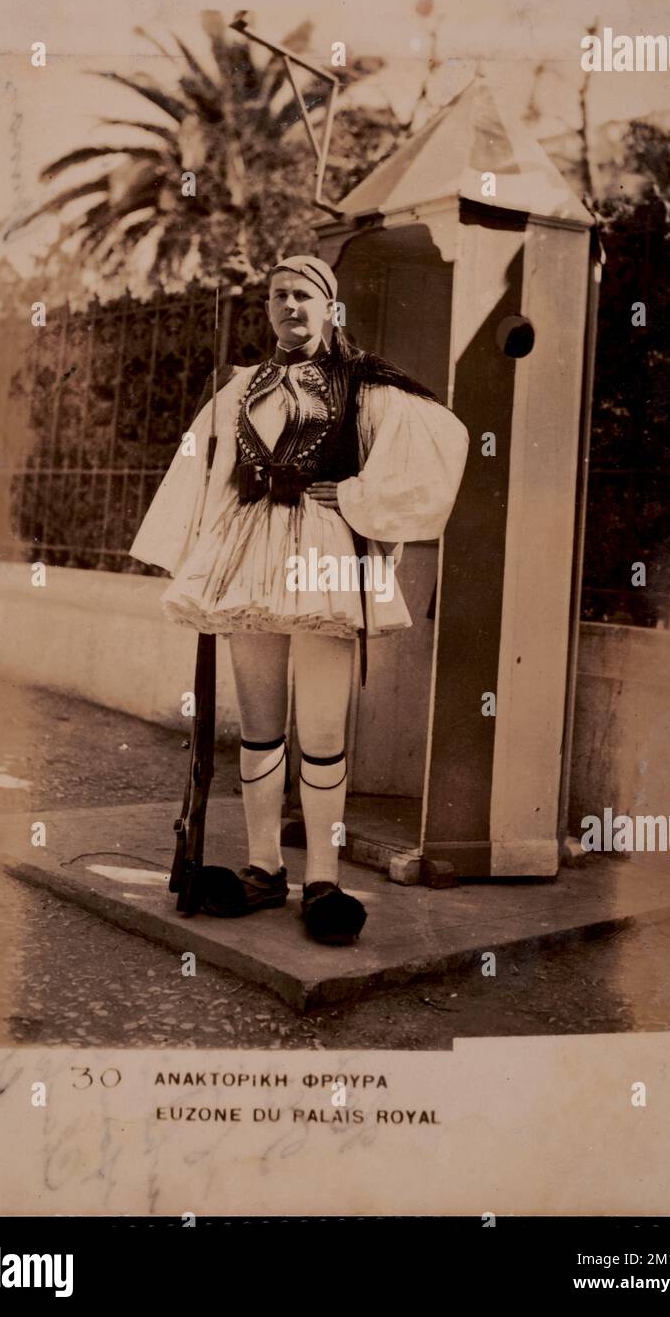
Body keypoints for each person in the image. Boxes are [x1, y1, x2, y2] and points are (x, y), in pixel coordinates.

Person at [129, 254, 469, 945]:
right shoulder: (239, 389)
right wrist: (191, 554)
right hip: (249, 561)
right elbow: (204, 469)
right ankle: (263, 871)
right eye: (279, 295)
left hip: (328, 563)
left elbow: (440, 445)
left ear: (330, 307)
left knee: (322, 732)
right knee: (259, 727)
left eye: (304, 295)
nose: (290, 305)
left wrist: (355, 498)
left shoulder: (366, 385)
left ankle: (323, 877)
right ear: (268, 309)